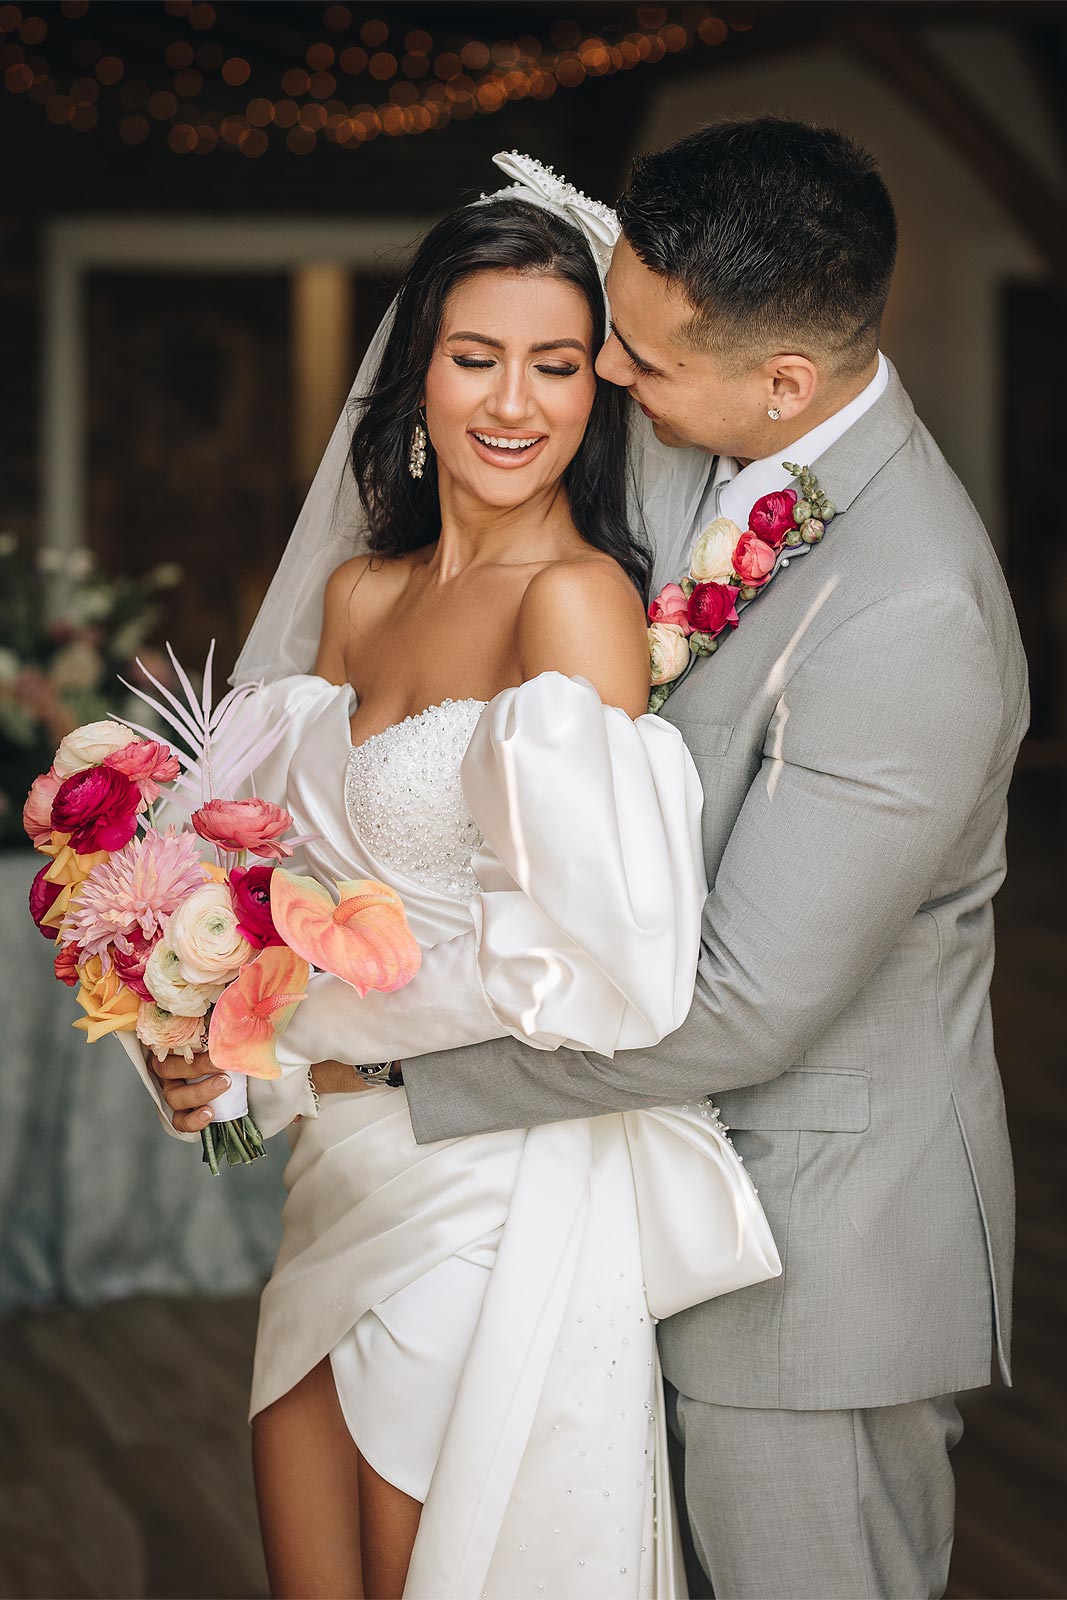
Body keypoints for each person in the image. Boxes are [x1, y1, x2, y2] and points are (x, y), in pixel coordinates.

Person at [151, 121, 1027, 1598]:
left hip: (801, 1249)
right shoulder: (704, 459)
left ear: (783, 381)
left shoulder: (912, 609)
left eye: (613, 356)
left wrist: (364, 1072)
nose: (596, 382)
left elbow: (742, 1004)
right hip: (587, 1176)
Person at [130, 154, 780, 1600]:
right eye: (476, 357)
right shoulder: (361, 598)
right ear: (416, 375)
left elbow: (613, 966)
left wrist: (311, 1031)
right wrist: (225, 1053)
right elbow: (285, 892)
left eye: (556, 365)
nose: (512, 402)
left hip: (493, 1189)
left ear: (599, 391)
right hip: (340, 1174)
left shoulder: (578, 605)